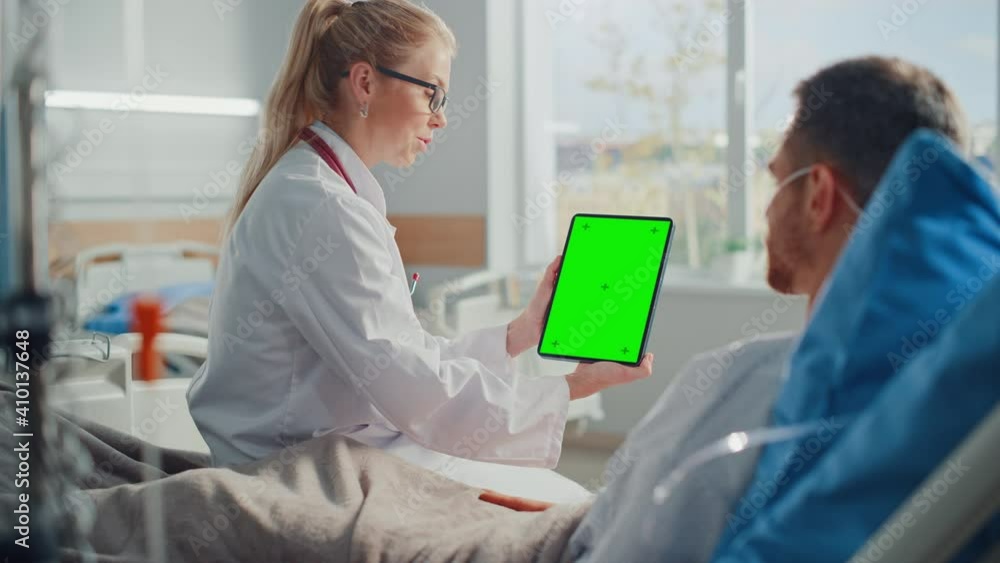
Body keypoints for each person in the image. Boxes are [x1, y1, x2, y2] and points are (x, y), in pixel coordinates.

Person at [186, 0, 653, 504]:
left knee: (564, 502)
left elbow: (404, 359)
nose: (441, 118)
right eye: (432, 93)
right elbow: (415, 388)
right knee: (572, 509)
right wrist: (572, 387)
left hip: (335, 455)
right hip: (296, 479)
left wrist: (521, 333)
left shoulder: (323, 191)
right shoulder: (321, 207)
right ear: (365, 83)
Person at [565, 56, 970, 561]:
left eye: (777, 181)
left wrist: (570, 527)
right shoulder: (961, 380)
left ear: (819, 195)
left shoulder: (738, 384)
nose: (768, 208)